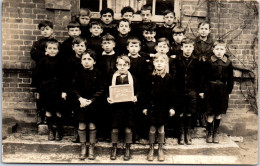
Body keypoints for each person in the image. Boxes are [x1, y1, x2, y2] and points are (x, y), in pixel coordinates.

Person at [71, 49, 104, 160]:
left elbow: (101, 89)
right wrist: (80, 99)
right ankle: (83, 146)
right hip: (80, 103)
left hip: (93, 103)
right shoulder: (77, 73)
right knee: (82, 124)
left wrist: (91, 100)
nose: (86, 61)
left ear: (94, 62)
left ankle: (91, 147)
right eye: (84, 59)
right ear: (81, 61)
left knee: (91, 125)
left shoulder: (98, 74)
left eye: (89, 59)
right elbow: (73, 88)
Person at [143, 54, 175, 161]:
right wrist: (145, 107)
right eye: (157, 62)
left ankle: (160, 148)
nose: (159, 64)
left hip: (163, 107)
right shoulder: (149, 77)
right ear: (154, 63)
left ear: (166, 64)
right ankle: (151, 148)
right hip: (152, 106)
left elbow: (172, 95)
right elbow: (145, 94)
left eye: (162, 62)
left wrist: (172, 107)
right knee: (152, 128)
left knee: (161, 128)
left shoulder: (169, 78)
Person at [171, 38, 203, 145]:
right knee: (180, 111)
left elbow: (200, 77)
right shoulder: (176, 59)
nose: (188, 49)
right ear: (182, 48)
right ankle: (180, 133)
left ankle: (187, 133)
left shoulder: (197, 60)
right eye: (186, 47)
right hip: (179, 90)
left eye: (190, 47)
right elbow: (174, 76)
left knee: (189, 112)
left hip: (192, 90)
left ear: (193, 48)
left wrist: (199, 90)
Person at [107, 55, 137, 161]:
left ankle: (127, 148)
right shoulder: (112, 77)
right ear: (116, 66)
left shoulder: (133, 78)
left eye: (125, 65)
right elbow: (107, 90)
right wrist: (108, 98)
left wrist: (136, 97)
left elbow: (139, 91)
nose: (122, 67)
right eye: (120, 65)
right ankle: (114, 147)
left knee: (128, 128)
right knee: (115, 128)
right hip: (116, 107)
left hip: (129, 107)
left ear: (129, 66)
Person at [203, 40, 234, 143]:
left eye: (221, 49)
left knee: (218, 112)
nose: (219, 52)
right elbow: (203, 77)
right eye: (217, 49)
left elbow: (230, 79)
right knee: (210, 112)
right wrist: (203, 91)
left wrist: (228, 92)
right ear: (213, 50)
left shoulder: (228, 63)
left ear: (225, 50)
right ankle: (209, 133)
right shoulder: (208, 61)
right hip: (210, 89)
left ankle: (215, 133)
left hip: (222, 90)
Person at [61, 37, 88, 143]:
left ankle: (88, 133)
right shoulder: (69, 61)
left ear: (85, 47)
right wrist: (64, 90)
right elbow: (64, 77)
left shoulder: (87, 59)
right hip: (72, 90)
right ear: (73, 47)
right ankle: (78, 133)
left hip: (85, 89)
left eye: (82, 46)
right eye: (77, 46)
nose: (80, 48)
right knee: (76, 111)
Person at [36, 39, 63, 141]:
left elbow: (65, 77)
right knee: (48, 110)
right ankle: (51, 130)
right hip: (46, 90)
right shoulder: (42, 61)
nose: (52, 50)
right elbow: (38, 77)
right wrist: (38, 91)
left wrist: (64, 91)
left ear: (58, 50)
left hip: (58, 89)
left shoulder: (61, 61)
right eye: (50, 48)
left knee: (58, 111)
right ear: (46, 49)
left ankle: (59, 130)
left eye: (54, 48)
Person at [30, 20, 55, 125]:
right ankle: (41, 115)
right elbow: (34, 54)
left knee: (51, 94)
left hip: (52, 71)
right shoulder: (37, 43)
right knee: (40, 94)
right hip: (40, 72)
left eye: (47, 29)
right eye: (42, 30)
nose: (45, 32)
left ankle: (50, 115)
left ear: (52, 30)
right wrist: (45, 53)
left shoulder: (55, 43)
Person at [95, 33, 117, 141]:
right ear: (102, 45)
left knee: (111, 110)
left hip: (113, 87)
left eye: (109, 43)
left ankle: (109, 134)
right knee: (101, 110)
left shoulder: (117, 58)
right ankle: (101, 133)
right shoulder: (98, 58)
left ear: (114, 44)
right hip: (101, 87)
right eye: (105, 43)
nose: (107, 45)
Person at [126, 37, 148, 142]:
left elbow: (145, 76)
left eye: (136, 46)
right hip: (127, 88)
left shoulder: (142, 60)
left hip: (139, 88)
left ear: (139, 48)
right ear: (127, 47)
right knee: (129, 111)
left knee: (139, 110)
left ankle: (138, 133)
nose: (133, 49)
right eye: (131, 46)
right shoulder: (125, 59)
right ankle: (129, 132)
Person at [193, 21, 215, 127]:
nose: (203, 31)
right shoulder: (194, 43)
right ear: (198, 30)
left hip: (207, 73)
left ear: (209, 31)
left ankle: (203, 116)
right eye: (201, 28)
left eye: (206, 29)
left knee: (206, 95)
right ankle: (196, 117)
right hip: (196, 72)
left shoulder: (212, 44)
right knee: (196, 94)